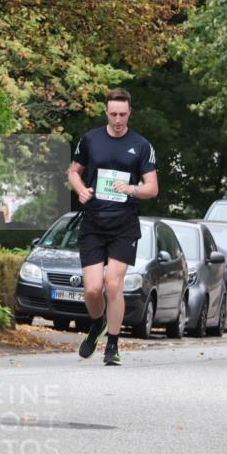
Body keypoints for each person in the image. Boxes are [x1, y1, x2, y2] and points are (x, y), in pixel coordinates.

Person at [67, 88, 158, 366]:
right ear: (106, 112)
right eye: (113, 114)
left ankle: (113, 346)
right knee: (93, 289)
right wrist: (81, 190)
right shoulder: (91, 140)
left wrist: (131, 188)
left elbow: (152, 188)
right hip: (93, 222)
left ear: (129, 113)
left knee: (112, 284)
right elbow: (73, 172)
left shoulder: (141, 145)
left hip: (124, 224)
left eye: (123, 114)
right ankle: (96, 325)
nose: (118, 119)